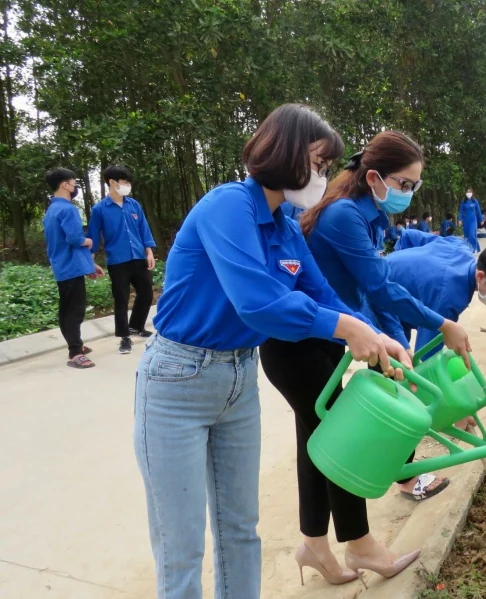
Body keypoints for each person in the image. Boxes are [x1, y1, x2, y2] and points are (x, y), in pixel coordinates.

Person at [135, 104, 412, 599]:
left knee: (240, 529)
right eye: (320, 163)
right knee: (181, 546)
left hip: (237, 381)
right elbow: (259, 303)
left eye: (328, 168)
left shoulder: (285, 223)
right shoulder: (229, 207)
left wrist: (378, 334)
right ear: (283, 152)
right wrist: (346, 326)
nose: (323, 176)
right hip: (179, 380)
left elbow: (320, 291)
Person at [298, 131, 473, 504]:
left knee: (396, 387)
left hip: (345, 323)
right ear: (374, 177)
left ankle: (402, 480)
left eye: (414, 185)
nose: (408, 192)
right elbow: (380, 288)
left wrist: (396, 342)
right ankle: (394, 489)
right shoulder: (345, 214)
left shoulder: (372, 215)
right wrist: (444, 324)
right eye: (404, 183)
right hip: (317, 331)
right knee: (326, 440)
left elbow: (371, 291)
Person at [372, 229, 486, 359]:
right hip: (376, 299)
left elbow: (409, 236)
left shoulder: (459, 246)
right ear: (481, 276)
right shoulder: (449, 299)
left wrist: (400, 265)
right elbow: (425, 355)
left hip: (381, 273)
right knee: (392, 362)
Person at [86, 165, 157, 355]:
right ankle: (124, 337)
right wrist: (90, 262)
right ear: (112, 182)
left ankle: (136, 326)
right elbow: (93, 235)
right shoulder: (100, 209)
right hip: (117, 261)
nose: (127, 186)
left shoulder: (134, 205)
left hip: (138, 257)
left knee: (146, 292)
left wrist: (149, 252)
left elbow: (143, 229)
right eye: (124, 182)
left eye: (128, 183)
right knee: (121, 298)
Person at [42, 168, 105, 369]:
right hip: (70, 268)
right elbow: (74, 239)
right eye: (74, 182)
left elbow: (61, 244)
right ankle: (75, 352)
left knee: (68, 308)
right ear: (65, 185)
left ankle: (74, 344)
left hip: (63, 266)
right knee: (74, 311)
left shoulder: (51, 210)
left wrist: (90, 265)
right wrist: (88, 240)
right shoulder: (68, 209)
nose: (75, 186)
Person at [458, 187, 483, 252]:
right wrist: (460, 219)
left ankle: (473, 248)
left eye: (469, 192)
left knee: (472, 234)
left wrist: (481, 219)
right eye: (467, 192)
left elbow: (478, 211)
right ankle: (468, 248)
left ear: (472, 193)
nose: (468, 193)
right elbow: (461, 211)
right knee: (467, 235)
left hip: (473, 220)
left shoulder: (475, 201)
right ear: (465, 193)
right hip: (466, 220)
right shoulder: (464, 202)